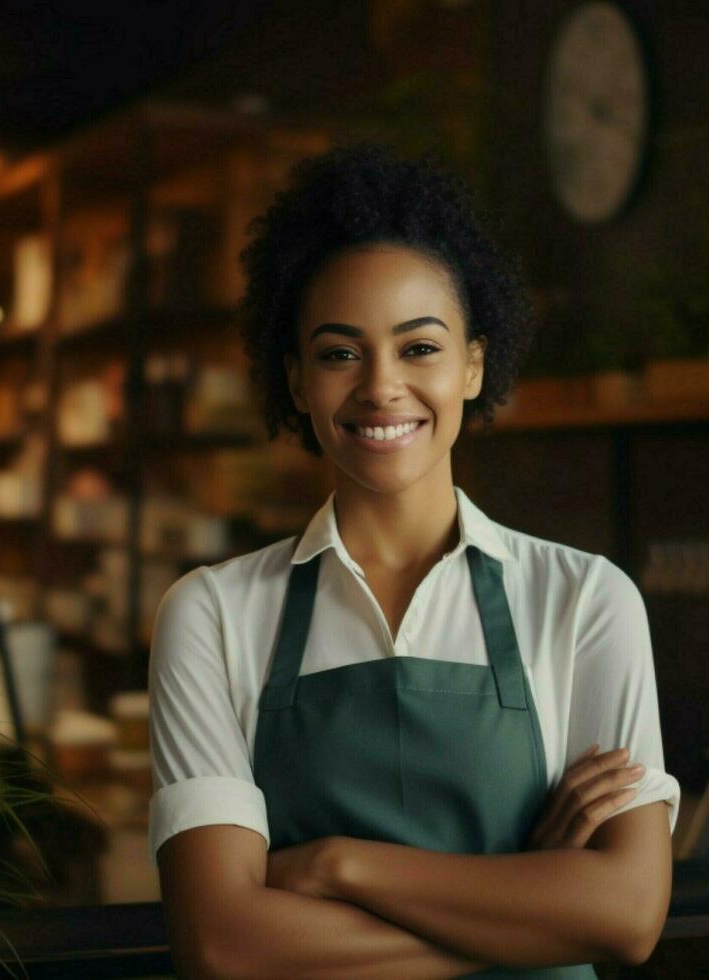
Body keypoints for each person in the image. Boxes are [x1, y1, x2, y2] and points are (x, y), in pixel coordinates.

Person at [148, 143, 677, 978]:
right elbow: (223, 944)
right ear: (295, 380)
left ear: (472, 365)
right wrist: (527, 904)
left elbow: (627, 916)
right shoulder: (212, 614)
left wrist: (334, 867)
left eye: (419, 347)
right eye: (338, 353)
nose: (381, 386)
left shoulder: (583, 600)